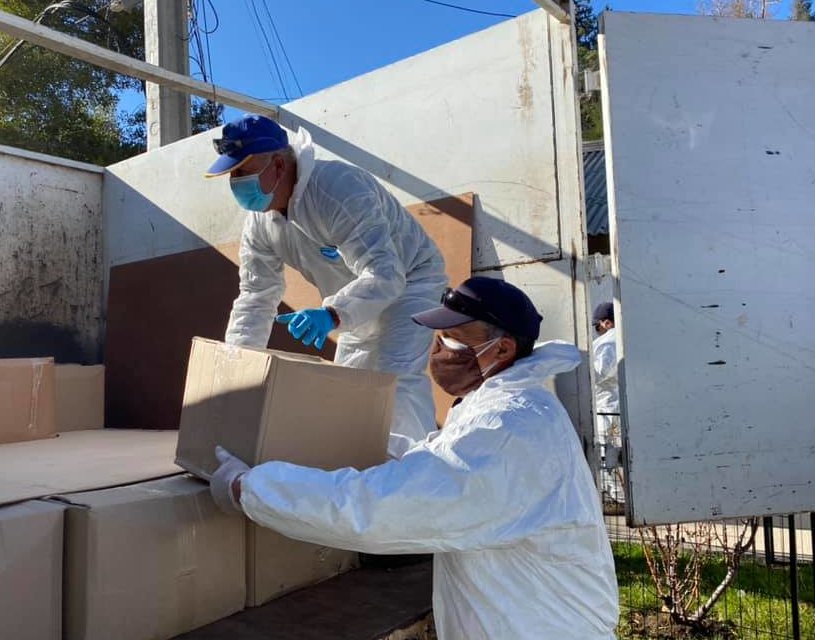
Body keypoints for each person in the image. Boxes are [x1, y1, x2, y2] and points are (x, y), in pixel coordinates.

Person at [210, 277, 620, 640]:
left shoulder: (508, 427)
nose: (438, 350)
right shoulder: (503, 406)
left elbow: (382, 508)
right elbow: (435, 459)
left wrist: (249, 488)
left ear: (504, 348)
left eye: (453, 339)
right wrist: (353, 440)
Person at [206, 114, 447, 459]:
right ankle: (363, 475)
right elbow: (256, 296)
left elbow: (386, 274)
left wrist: (333, 314)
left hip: (411, 282)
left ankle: (417, 474)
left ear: (277, 164)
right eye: (232, 174)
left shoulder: (338, 188)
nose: (235, 182)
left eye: (243, 171)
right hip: (350, 301)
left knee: (396, 383)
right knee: (349, 393)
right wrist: (236, 363)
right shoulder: (259, 225)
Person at [592, 301, 624, 507]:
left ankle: (616, 499)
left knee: (608, 453)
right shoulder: (622, 338)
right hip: (615, 405)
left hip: (608, 408)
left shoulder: (609, 342)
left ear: (606, 323)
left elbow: (600, 373)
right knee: (615, 452)